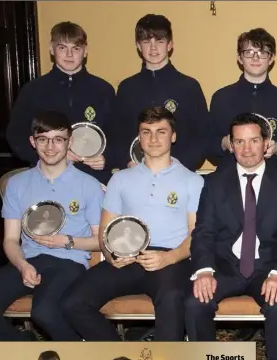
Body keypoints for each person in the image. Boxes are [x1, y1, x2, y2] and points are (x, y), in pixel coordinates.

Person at [63, 106, 204, 341]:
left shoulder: (193, 180)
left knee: (172, 299)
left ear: (173, 136)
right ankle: (122, 354)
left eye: (161, 131)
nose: (153, 138)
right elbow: (106, 232)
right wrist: (111, 256)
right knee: (72, 303)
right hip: (127, 256)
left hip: (170, 260)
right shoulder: (119, 179)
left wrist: (168, 258)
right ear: (139, 138)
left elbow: (196, 235)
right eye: (146, 132)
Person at [184, 113, 277, 360]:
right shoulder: (214, 183)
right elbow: (204, 231)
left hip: (267, 268)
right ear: (231, 144)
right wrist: (204, 270)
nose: (247, 149)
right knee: (195, 303)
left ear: (266, 143)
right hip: (224, 267)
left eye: (254, 141)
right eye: (239, 142)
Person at [0, 111, 103, 341]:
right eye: (43, 139)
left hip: (69, 262)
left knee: (44, 312)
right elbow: (10, 240)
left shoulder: (89, 185)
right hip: (28, 260)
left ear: (70, 142)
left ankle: (79, 354)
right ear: (33, 142)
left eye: (58, 139)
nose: (51, 146)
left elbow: (100, 241)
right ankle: (25, 346)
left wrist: (67, 241)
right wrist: (22, 264)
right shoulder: (16, 184)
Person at [6, 22, 116, 185]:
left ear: (85, 51)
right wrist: (48, 154)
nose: (69, 55)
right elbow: (15, 135)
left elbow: (118, 133)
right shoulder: (32, 90)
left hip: (93, 178)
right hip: (47, 176)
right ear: (51, 48)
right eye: (62, 48)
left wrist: (108, 157)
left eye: (76, 48)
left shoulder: (103, 90)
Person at [111, 14, 208, 172]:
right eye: (146, 42)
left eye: (160, 41)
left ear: (170, 45)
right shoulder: (127, 88)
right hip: (136, 173)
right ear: (138, 45)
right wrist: (127, 162)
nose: (153, 48)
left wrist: (180, 167)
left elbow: (202, 136)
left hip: (179, 174)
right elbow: (116, 134)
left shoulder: (189, 87)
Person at [207, 28, 277, 169]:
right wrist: (224, 143)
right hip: (228, 180)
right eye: (249, 52)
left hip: (271, 182)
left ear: (271, 58)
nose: (255, 58)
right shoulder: (221, 98)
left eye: (262, 52)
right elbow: (206, 144)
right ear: (239, 58)